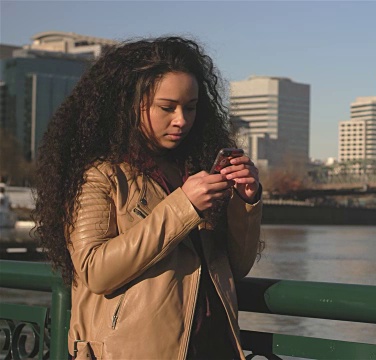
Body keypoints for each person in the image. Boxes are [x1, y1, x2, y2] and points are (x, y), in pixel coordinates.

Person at [33, 36, 263, 359]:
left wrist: (246, 202)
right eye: (167, 107)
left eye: (192, 107)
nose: (181, 120)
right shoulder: (101, 175)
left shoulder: (196, 168)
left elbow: (236, 267)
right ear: (131, 102)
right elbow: (95, 270)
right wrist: (185, 206)